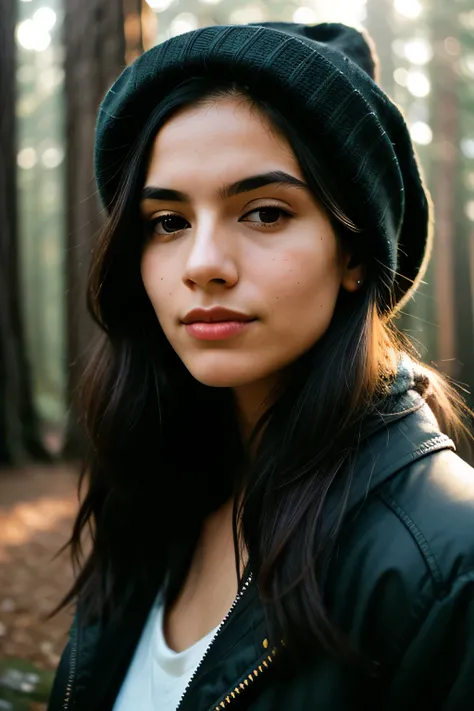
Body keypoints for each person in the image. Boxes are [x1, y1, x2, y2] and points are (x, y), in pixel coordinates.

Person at [48, 21, 474, 711]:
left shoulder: (449, 561)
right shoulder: (155, 486)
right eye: (167, 221)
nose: (203, 264)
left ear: (357, 255)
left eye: (266, 212)